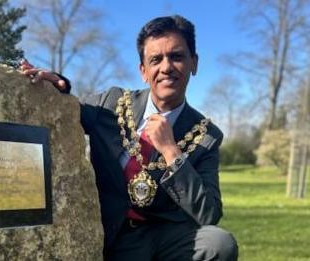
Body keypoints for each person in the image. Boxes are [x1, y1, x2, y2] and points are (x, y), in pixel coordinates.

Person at [21, 15, 238, 261]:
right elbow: (70, 110)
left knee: (220, 243)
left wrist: (171, 152)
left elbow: (209, 212)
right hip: (114, 231)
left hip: (168, 237)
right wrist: (57, 85)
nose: (166, 67)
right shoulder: (112, 104)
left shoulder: (206, 135)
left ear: (194, 63)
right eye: (155, 59)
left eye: (176, 56)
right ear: (143, 71)